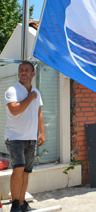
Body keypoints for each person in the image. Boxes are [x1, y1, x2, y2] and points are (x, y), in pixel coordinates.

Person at [5, 61, 45, 212]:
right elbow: (15, 110)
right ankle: (15, 204)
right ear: (18, 73)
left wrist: (41, 132)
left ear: (32, 74)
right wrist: (30, 97)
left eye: (27, 70)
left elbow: (39, 113)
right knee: (18, 169)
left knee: (26, 172)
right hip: (15, 138)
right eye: (21, 70)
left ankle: (22, 203)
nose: (24, 72)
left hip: (31, 138)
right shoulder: (12, 91)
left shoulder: (36, 92)